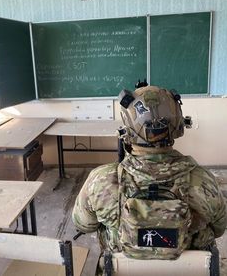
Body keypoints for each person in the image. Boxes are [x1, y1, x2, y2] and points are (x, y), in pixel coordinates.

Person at [72, 85, 227, 275]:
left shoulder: (100, 180)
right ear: (178, 125)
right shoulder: (204, 181)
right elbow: (220, 228)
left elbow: (83, 225)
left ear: (127, 130)